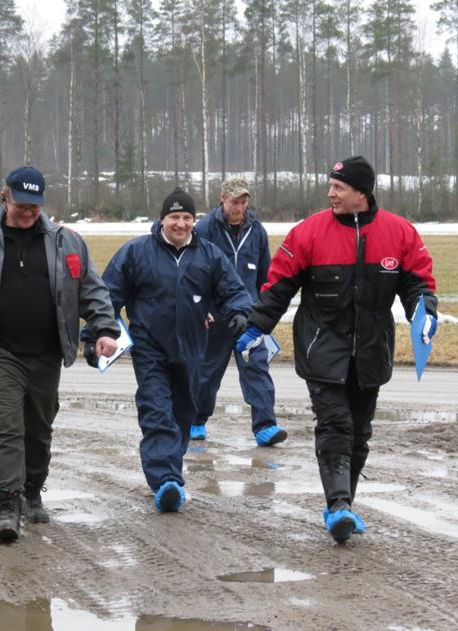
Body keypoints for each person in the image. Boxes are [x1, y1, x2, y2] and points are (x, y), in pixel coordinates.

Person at [237, 156, 438, 543]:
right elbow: (279, 286)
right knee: (335, 425)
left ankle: (343, 504)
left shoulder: (400, 233)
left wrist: (424, 314)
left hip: (371, 350)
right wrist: (255, 327)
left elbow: (418, 285)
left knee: (360, 432)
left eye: (338, 187)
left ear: (361, 193)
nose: (330, 193)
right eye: (330, 185)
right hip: (321, 346)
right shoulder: (308, 233)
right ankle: (338, 505)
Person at [0, 166, 119, 542]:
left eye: (35, 206)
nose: (28, 212)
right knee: (5, 428)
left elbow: (92, 290)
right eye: (21, 205)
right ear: (5, 198)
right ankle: (7, 504)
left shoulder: (67, 241)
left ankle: (33, 492)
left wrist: (106, 328)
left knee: (38, 430)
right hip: (0, 352)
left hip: (48, 354)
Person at [99, 187, 253, 513]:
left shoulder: (209, 255)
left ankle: (169, 465)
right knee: (156, 411)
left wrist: (239, 312)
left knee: (183, 413)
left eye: (186, 218)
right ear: (162, 219)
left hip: (193, 349)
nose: (180, 224)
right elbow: (107, 296)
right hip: (150, 348)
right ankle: (167, 479)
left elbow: (233, 289)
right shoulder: (136, 252)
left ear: (193, 221)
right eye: (174, 217)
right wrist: (97, 333)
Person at [193, 177, 286, 446]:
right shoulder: (204, 229)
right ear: (222, 198)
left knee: (256, 367)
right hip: (215, 317)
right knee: (207, 372)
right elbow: (195, 273)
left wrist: (263, 312)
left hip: (249, 316)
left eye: (244, 202)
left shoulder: (257, 230)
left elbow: (265, 276)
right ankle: (195, 421)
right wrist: (202, 308)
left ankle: (265, 426)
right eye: (235, 201)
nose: (239, 207)